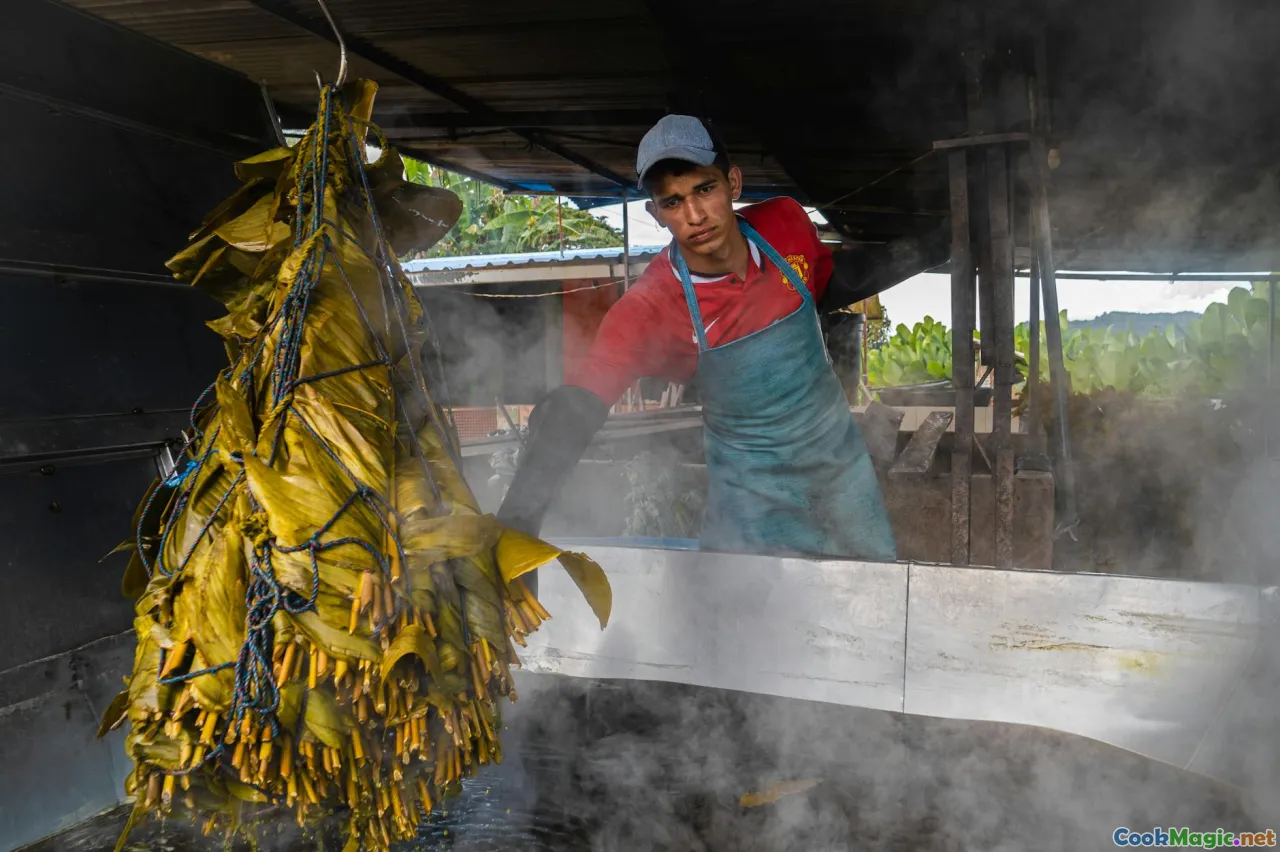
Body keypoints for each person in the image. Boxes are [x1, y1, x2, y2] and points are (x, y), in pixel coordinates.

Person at [498, 115, 947, 561]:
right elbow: (575, 408)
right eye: (672, 202)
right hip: (750, 503)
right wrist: (518, 522)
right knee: (751, 621)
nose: (694, 216)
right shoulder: (647, 311)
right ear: (655, 213)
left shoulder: (785, 224)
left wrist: (935, 245)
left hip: (843, 476)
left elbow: (826, 284)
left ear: (732, 182)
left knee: (868, 608)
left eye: (704, 189)